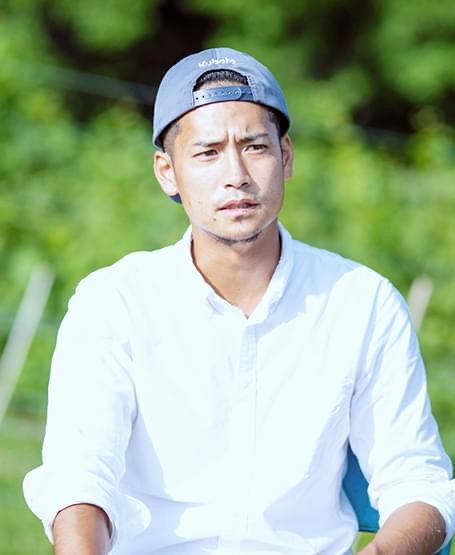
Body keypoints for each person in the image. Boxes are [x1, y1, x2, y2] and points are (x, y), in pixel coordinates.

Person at [23, 47, 455, 555]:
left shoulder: (363, 302)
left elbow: (418, 482)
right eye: (207, 153)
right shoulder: (113, 302)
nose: (237, 175)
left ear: (286, 156)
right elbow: (79, 478)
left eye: (255, 147)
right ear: (167, 172)